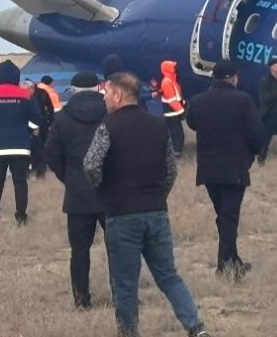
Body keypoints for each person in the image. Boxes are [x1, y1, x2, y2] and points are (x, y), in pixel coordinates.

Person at [83, 72, 211, 337]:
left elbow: (90, 164)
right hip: (155, 212)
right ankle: (196, 328)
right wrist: (158, 194)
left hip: (122, 215)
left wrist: (104, 190)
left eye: (107, 92)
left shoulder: (108, 126)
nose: (105, 98)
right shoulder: (157, 125)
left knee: (125, 285)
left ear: (118, 95)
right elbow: (171, 169)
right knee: (168, 276)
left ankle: (129, 333)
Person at [186, 60, 263, 280]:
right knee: (229, 217)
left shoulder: (198, 101)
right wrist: (253, 153)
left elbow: (191, 123)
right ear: (232, 78)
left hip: (208, 168)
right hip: (235, 167)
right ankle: (225, 266)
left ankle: (232, 260)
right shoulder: (242, 100)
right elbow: (255, 132)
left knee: (223, 214)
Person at [45, 72, 108, 310]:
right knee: (118, 247)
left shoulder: (62, 119)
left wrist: (68, 177)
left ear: (72, 90)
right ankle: (121, 294)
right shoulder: (109, 113)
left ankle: (81, 300)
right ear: (98, 88)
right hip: (108, 190)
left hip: (77, 194)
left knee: (79, 250)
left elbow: (51, 153)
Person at [0, 61, 42, 225]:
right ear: (16, 76)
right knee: (20, 181)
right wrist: (27, 131)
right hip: (21, 145)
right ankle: (21, 216)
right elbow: (36, 119)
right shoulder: (27, 95)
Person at [24, 79, 56, 178]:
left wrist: (50, 120)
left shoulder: (40, 94)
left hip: (40, 125)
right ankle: (31, 169)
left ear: (32, 88)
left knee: (40, 148)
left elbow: (50, 107)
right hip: (32, 124)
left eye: (26, 89)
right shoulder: (39, 93)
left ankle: (40, 170)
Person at [157, 60, 187, 158]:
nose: (175, 68)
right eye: (173, 67)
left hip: (173, 112)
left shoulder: (170, 79)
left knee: (175, 132)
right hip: (172, 113)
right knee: (176, 132)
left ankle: (176, 149)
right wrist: (182, 110)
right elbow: (172, 101)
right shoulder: (167, 82)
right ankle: (176, 151)